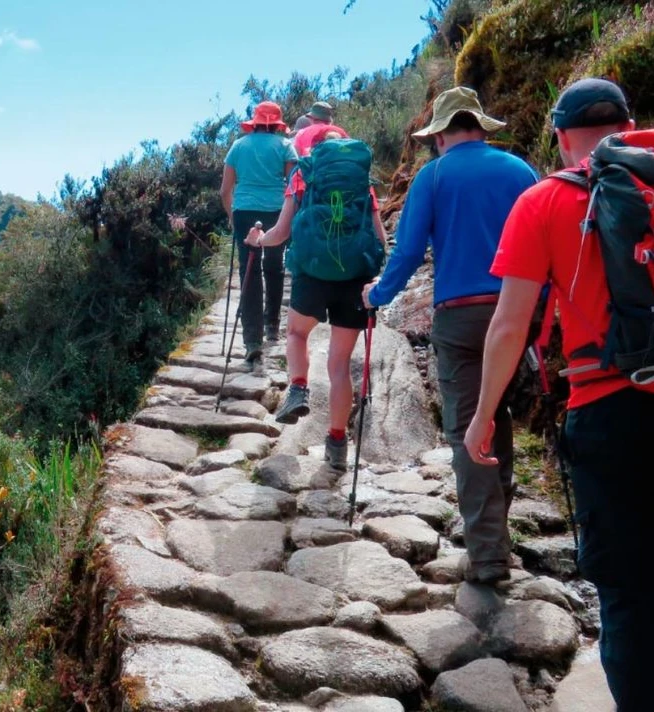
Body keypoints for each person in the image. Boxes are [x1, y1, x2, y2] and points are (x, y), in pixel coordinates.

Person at [464, 77, 653, 710]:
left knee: (627, 593)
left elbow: (511, 324)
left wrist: (483, 415)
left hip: (609, 409)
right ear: (629, 124)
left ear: (560, 136)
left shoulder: (544, 202)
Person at [360, 87, 539, 584]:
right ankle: (497, 534)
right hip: (517, 310)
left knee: (467, 427)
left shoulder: (433, 176)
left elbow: (409, 251)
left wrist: (378, 295)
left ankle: (488, 555)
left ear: (440, 135)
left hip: (459, 318)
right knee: (495, 413)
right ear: (482, 127)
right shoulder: (521, 172)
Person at [247, 124, 388, 471]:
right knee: (340, 366)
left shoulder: (302, 175)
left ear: (311, 149)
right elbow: (379, 238)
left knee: (297, 334)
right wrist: (379, 274)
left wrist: (257, 240)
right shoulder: (362, 183)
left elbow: (281, 233)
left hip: (312, 272)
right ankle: (337, 443)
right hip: (354, 277)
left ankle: (298, 387)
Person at [221, 101, 298, 363]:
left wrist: (233, 218)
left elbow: (224, 191)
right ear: (276, 124)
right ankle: (272, 325)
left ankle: (252, 340)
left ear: (255, 123)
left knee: (249, 271)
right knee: (274, 265)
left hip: (244, 211)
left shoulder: (238, 146)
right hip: (276, 210)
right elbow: (293, 184)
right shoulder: (285, 146)